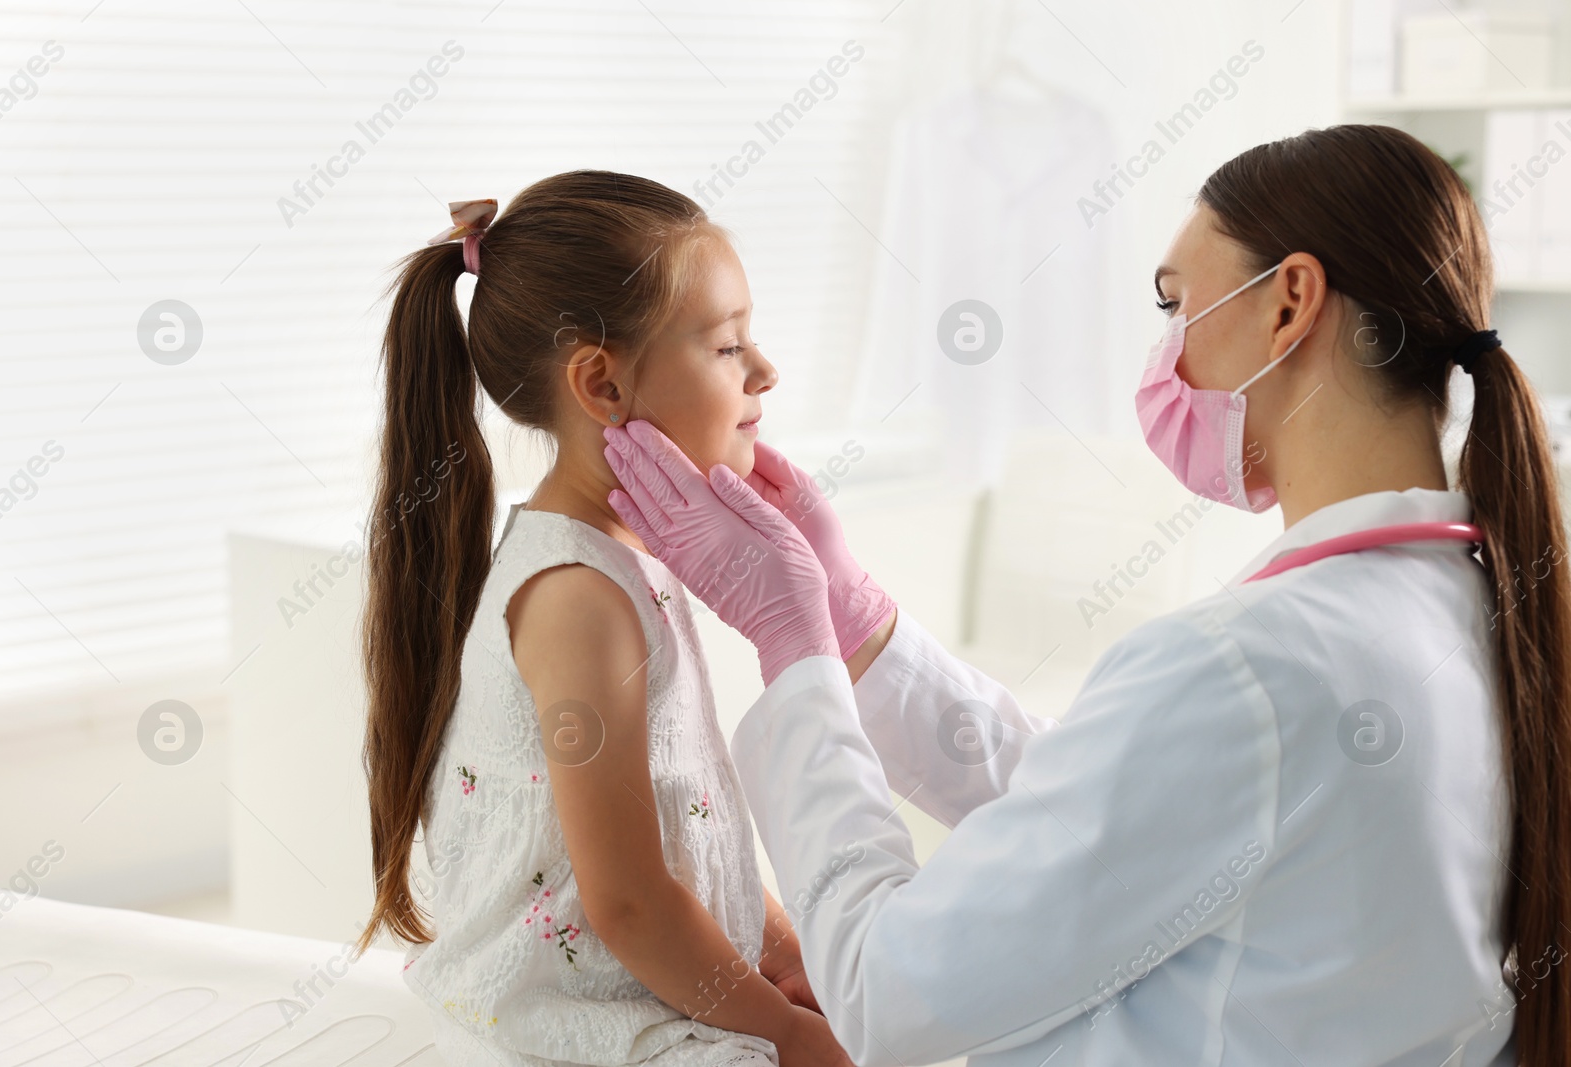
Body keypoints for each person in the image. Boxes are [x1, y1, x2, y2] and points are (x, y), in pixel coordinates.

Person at [603, 125, 1571, 1063]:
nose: (1166, 355)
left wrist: (793, 644)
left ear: (1290, 302)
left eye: (1173, 303)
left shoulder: (1250, 662)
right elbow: (1116, 800)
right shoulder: (1478, 604)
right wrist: (856, 622)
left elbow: (882, 992)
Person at [354, 171, 851, 1067]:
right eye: (730, 345)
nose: (765, 370)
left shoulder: (624, 560)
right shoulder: (581, 596)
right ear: (601, 385)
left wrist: (785, 956)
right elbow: (626, 901)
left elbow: (688, 818)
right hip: (565, 1023)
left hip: (639, 980)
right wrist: (787, 1035)